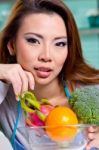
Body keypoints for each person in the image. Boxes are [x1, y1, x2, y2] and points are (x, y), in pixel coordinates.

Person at [0, 0, 99, 150]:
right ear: (12, 46)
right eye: (33, 40)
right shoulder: (6, 101)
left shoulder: (92, 92)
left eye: (59, 43)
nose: (46, 56)